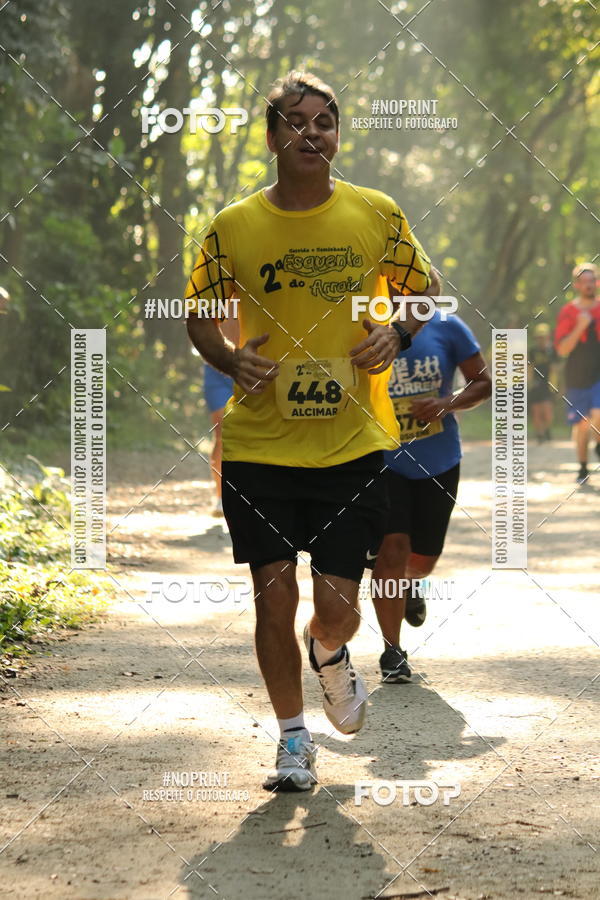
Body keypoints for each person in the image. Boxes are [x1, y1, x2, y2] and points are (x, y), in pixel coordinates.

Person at [185, 71, 432, 791]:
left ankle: (328, 651)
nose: (311, 133)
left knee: (335, 608)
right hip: (261, 442)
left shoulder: (377, 213)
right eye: (296, 122)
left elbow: (424, 293)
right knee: (271, 589)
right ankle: (293, 740)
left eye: (324, 122)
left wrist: (396, 333)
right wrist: (229, 357)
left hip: (353, 442)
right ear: (271, 136)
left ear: (337, 135)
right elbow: (198, 312)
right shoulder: (232, 225)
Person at [369, 279, 491, 683]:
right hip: (383, 458)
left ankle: (408, 584)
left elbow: (483, 382)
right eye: (396, 286)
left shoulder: (449, 327)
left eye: (414, 288)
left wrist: (446, 403)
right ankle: (393, 651)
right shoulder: (368, 325)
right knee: (392, 548)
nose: (404, 294)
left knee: (421, 559)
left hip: (438, 459)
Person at [554, 263, 600, 484]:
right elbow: (562, 349)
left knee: (598, 413)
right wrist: (581, 326)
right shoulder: (568, 312)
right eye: (585, 281)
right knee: (582, 425)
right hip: (577, 377)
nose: (589, 285)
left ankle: (598, 444)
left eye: (593, 280)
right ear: (576, 285)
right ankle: (583, 466)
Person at [202, 316, 238, 516]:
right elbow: (195, 326)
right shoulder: (211, 290)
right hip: (216, 368)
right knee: (221, 432)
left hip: (250, 363)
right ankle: (220, 497)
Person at [528, 323, 555, 443]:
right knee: (536, 410)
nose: (541, 339)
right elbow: (528, 366)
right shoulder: (533, 351)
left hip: (549, 384)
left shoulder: (553, 351)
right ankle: (539, 434)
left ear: (548, 337)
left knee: (547, 411)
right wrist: (528, 382)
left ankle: (546, 429)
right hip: (536, 383)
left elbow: (558, 366)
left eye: (543, 337)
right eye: (539, 337)